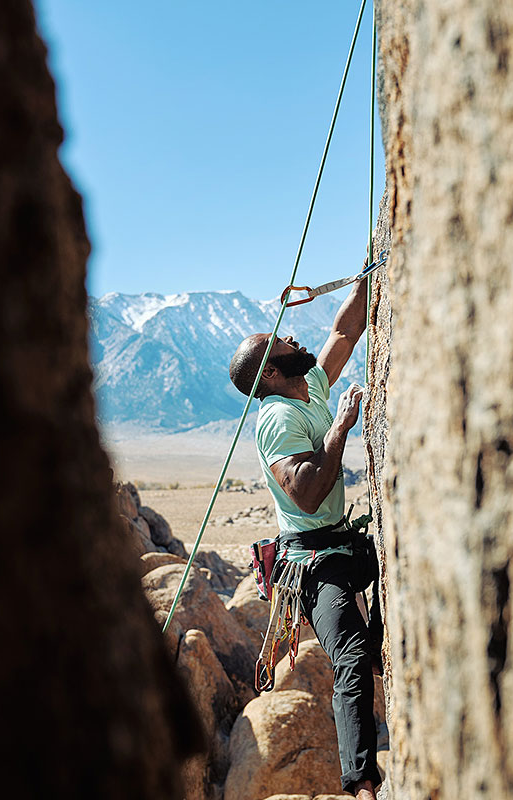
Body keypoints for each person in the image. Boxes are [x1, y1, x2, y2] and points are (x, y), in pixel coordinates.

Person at [228, 273, 380, 800]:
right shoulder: (276, 417)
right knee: (352, 656)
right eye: (283, 344)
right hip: (315, 563)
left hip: (343, 542)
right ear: (272, 372)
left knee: (369, 646)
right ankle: (360, 783)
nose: (294, 338)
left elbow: (344, 332)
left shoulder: (308, 382)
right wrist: (341, 427)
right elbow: (308, 493)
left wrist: (368, 274)